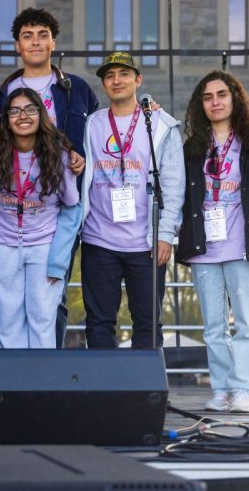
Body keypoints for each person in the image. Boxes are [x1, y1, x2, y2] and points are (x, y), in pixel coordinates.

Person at [0, 7, 97, 348]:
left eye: (42, 35)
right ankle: (16, 386)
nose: (35, 42)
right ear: (17, 46)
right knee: (9, 310)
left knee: (49, 304)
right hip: (8, 227)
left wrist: (81, 159)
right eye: (27, 36)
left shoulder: (75, 89)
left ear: (54, 43)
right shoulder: (1, 94)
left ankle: (49, 377)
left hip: (57, 215)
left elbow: (95, 136)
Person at [177, 71, 249, 413]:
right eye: (208, 97)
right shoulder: (192, 146)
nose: (216, 102)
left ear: (235, 98)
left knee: (248, 323)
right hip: (205, 248)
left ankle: (243, 390)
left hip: (243, 245)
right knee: (214, 326)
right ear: (200, 104)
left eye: (222, 94)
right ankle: (221, 389)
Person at [80, 52, 184, 349]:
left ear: (138, 79)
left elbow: (174, 186)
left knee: (148, 323)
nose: (117, 80)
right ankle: (105, 390)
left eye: (124, 74)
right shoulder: (92, 124)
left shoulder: (161, 125)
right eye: (110, 76)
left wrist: (165, 234)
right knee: (99, 322)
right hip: (99, 240)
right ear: (103, 84)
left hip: (147, 243)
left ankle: (146, 393)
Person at [0, 88, 81, 348]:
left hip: (44, 248)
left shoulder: (59, 156)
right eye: (14, 110)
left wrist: (59, 260)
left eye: (30, 109)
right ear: (6, 118)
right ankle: (14, 386)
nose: (22, 116)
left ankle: (41, 387)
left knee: (42, 321)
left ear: (41, 114)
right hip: (3, 246)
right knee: (7, 323)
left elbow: (73, 210)